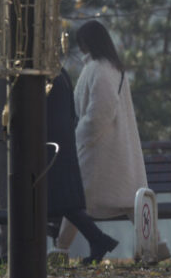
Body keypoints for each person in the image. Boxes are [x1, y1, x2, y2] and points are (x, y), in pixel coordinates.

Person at [54, 20, 148, 259]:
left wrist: (78, 138)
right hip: (111, 147)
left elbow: (99, 113)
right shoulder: (111, 67)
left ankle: (63, 248)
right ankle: (152, 245)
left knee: (74, 197)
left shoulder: (100, 69)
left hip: (99, 148)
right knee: (123, 201)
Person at [45, 67, 120, 264]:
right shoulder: (60, 73)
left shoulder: (47, 75)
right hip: (63, 142)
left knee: (61, 201)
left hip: (51, 144)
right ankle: (99, 239)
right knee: (65, 201)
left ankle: (99, 239)